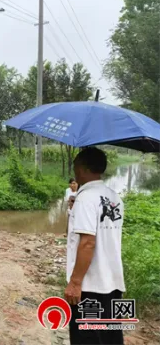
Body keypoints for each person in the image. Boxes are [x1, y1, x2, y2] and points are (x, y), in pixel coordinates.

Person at [65, 147, 125, 345]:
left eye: (75, 166)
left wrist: (75, 282)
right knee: (111, 337)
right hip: (113, 283)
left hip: (90, 286)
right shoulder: (114, 197)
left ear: (82, 168)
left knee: (86, 338)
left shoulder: (86, 198)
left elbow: (88, 242)